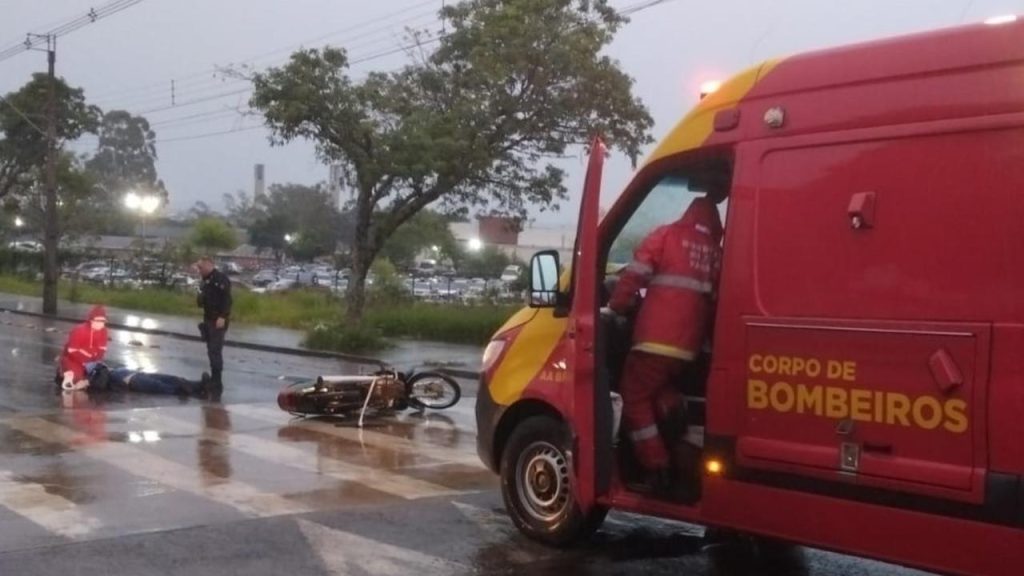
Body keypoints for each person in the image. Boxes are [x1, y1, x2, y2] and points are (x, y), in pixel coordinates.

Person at [606, 193, 724, 494]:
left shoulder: (667, 235)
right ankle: (674, 414)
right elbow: (714, 299)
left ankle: (657, 466)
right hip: (689, 348)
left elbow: (635, 275)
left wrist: (618, 306)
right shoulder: (714, 251)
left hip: (655, 342)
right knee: (657, 388)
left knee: (633, 397)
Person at [196, 256, 232, 389]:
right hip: (208, 319)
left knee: (215, 350)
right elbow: (202, 301)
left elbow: (227, 300)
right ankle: (214, 378)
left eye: (201, 267)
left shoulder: (220, 279)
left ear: (209, 265)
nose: (199, 270)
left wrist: (223, 316)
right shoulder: (205, 281)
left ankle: (217, 381)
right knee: (211, 350)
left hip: (218, 320)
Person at [58, 305, 109, 391]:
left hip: (91, 361)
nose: (100, 323)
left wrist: (96, 362)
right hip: (73, 359)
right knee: (76, 378)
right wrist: (85, 362)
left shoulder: (103, 331)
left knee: (101, 375)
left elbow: (102, 349)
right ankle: (66, 374)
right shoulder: (79, 330)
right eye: (97, 321)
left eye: (103, 321)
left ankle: (82, 380)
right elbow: (72, 351)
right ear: (91, 320)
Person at [89, 364, 214, 398]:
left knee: (170, 378)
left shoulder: (111, 369)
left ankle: (199, 385)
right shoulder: (100, 374)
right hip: (133, 381)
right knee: (160, 386)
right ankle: (188, 390)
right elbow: (100, 385)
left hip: (138, 374)